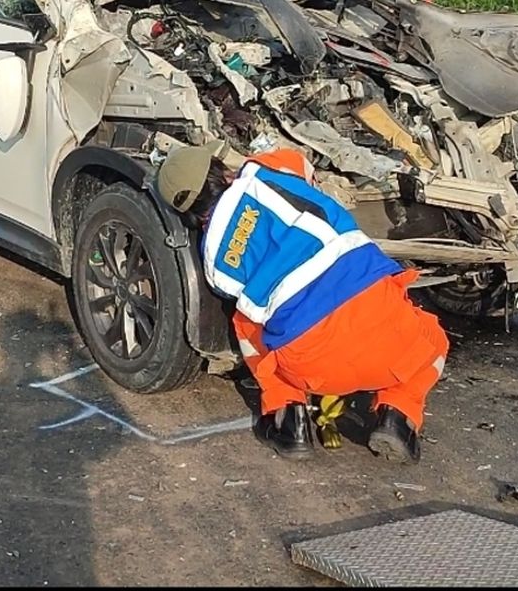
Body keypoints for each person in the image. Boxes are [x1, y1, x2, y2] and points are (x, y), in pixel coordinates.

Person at [156, 142, 449, 464]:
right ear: (222, 172)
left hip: (312, 368)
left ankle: (288, 419)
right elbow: (300, 163)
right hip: (388, 347)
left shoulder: (214, 262)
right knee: (433, 341)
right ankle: (399, 414)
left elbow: (233, 288)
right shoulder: (262, 171)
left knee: (247, 321)